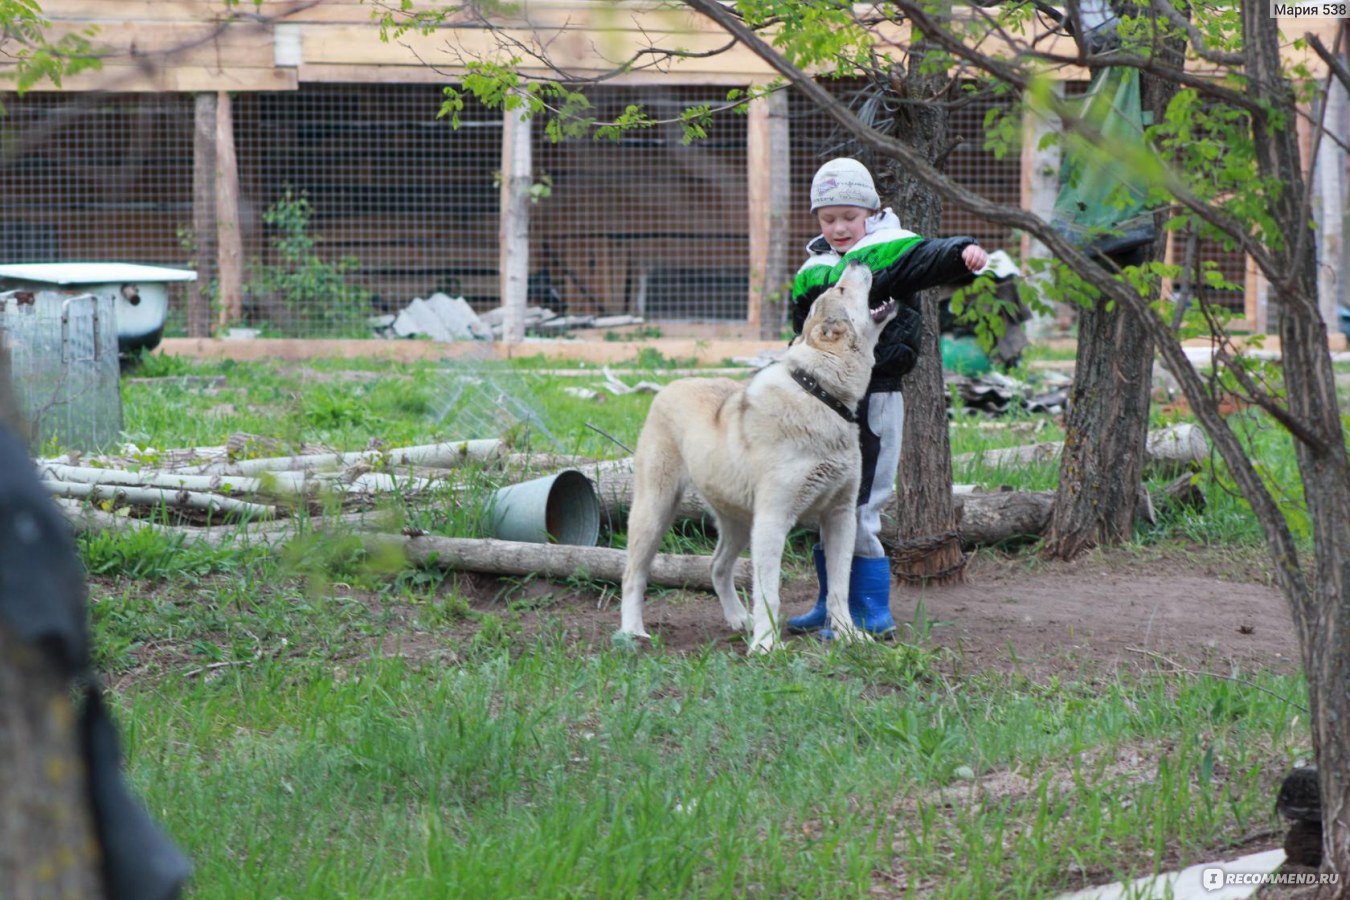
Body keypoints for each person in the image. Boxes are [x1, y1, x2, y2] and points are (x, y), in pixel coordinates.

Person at [785, 157, 988, 638]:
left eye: (848, 217)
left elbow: (929, 257)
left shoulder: (885, 252)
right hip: (826, 401)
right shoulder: (814, 268)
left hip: (875, 396)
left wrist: (965, 252)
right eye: (828, 218)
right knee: (825, 506)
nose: (838, 228)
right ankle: (827, 603)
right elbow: (802, 328)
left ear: (871, 213)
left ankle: (871, 613)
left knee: (860, 507)